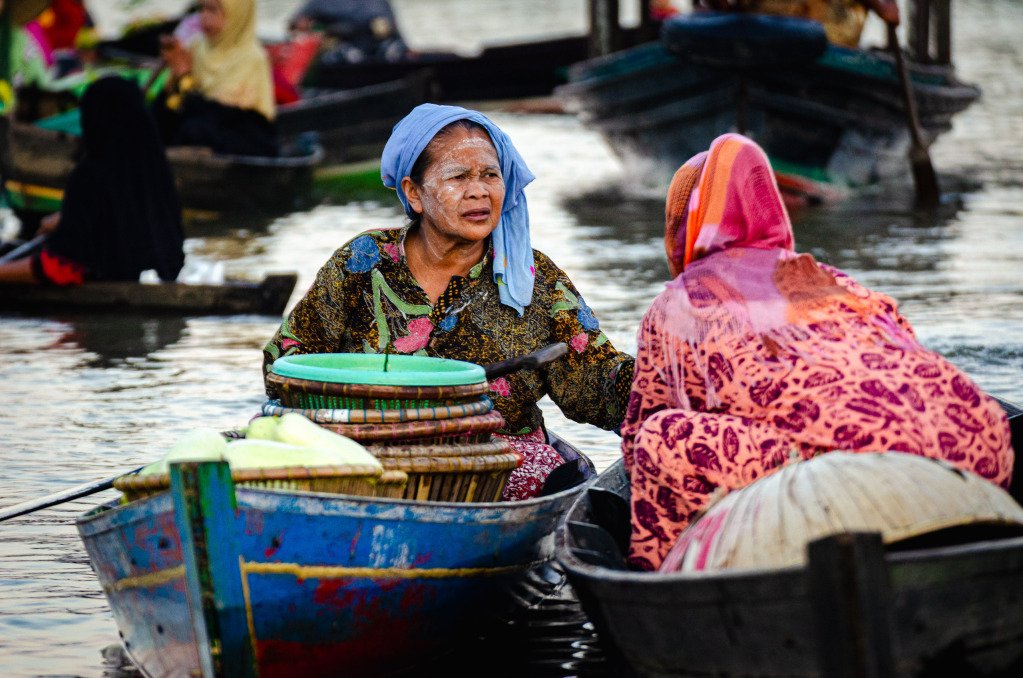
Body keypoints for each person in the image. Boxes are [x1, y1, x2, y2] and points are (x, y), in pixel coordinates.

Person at [622, 133, 1013, 571]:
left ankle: (657, 582)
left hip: (843, 471)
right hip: (978, 443)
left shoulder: (681, 302)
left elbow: (639, 439)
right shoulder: (833, 280)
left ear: (684, 223)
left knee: (661, 439)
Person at [263, 103, 635, 501]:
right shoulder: (363, 262)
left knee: (551, 479)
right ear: (414, 193)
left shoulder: (535, 279)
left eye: (491, 175)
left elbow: (596, 382)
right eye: (459, 176)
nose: (479, 191)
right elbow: (287, 360)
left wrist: (669, 380)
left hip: (497, 462)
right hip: (372, 456)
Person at [0, 76, 184, 285]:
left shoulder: (89, 176)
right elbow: (125, 215)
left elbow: (61, 268)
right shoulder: (158, 176)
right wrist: (66, 219)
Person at [155, 0, 277, 157]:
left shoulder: (251, 57)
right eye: (202, 9)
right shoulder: (197, 47)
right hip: (204, 124)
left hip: (244, 136)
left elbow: (222, 114)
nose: (204, 17)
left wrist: (184, 75)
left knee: (195, 130)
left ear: (237, 15)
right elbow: (173, 105)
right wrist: (176, 73)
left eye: (212, 10)